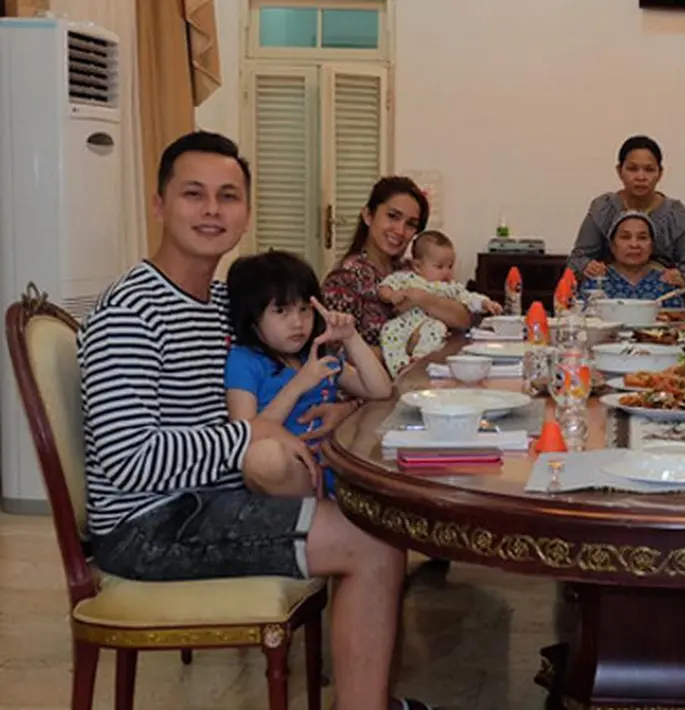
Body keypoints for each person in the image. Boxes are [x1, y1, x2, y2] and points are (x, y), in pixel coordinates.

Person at [78, 131, 432, 710]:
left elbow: (316, 375)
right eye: (193, 194)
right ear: (160, 204)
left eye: (228, 196)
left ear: (245, 212)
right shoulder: (130, 312)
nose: (212, 210)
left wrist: (339, 406)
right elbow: (128, 459)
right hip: (150, 525)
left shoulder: (226, 303)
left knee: (374, 518)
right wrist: (252, 433)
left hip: (216, 495)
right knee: (371, 541)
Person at [224, 250, 394, 498]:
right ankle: (319, 511)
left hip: (336, 465)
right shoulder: (245, 360)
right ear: (252, 319)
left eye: (305, 309)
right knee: (262, 457)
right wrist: (299, 384)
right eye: (281, 311)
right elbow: (244, 435)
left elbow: (380, 390)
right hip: (292, 474)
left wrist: (350, 337)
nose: (297, 322)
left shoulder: (315, 355)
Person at [322, 176, 471, 358]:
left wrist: (422, 298)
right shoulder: (345, 280)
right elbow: (335, 353)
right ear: (368, 215)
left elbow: (464, 319)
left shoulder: (412, 270)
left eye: (411, 224)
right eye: (392, 216)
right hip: (380, 376)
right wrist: (405, 347)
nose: (400, 231)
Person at [566, 135, 685, 301]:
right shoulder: (603, 208)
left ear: (660, 173)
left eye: (649, 170)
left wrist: (682, 277)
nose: (641, 177)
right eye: (632, 169)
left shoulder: (674, 213)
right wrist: (587, 267)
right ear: (619, 171)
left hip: (662, 298)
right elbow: (576, 261)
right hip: (610, 296)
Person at [377, 230, 502, 374]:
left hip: (431, 323)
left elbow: (469, 297)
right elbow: (384, 287)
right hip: (404, 322)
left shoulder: (449, 287)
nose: (447, 272)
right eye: (439, 267)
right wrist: (392, 295)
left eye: (450, 266)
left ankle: (420, 359)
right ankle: (399, 366)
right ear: (417, 266)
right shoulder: (406, 278)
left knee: (437, 330)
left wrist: (486, 303)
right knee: (388, 331)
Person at [578, 210, 685, 308]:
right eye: (625, 237)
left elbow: (678, 319)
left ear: (652, 246)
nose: (634, 245)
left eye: (642, 238)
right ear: (612, 246)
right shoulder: (597, 280)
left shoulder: (665, 281)